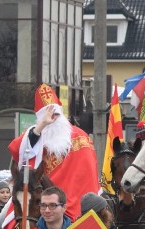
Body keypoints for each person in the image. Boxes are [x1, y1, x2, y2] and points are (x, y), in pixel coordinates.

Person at [8, 84, 99, 219]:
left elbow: (88, 172)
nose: (53, 119)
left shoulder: (81, 136)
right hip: (40, 201)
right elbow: (17, 150)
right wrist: (41, 126)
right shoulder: (35, 133)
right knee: (7, 220)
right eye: (48, 115)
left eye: (56, 114)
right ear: (41, 117)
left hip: (78, 200)